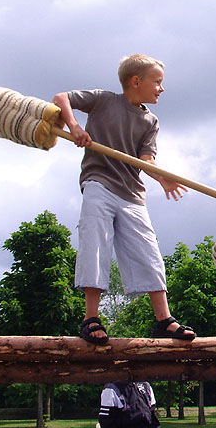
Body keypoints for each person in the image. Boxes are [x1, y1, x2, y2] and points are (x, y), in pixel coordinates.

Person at [53, 54, 196, 344]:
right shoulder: (103, 100)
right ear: (136, 81)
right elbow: (61, 97)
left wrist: (161, 177)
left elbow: (146, 161)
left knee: (149, 252)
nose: (161, 89)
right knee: (95, 244)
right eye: (157, 82)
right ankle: (90, 318)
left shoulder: (150, 121)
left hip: (132, 194)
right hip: (98, 184)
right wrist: (74, 127)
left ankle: (163, 320)